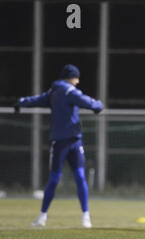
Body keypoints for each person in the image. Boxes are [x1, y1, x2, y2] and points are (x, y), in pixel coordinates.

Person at [13, 64, 103, 228]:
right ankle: (86, 217)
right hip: (73, 142)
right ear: (72, 78)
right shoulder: (69, 91)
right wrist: (98, 105)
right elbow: (87, 102)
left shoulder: (53, 91)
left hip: (59, 142)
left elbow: (36, 100)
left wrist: (21, 103)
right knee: (80, 178)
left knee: (54, 179)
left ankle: (42, 217)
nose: (78, 81)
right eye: (77, 78)